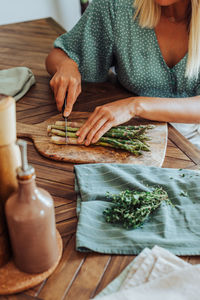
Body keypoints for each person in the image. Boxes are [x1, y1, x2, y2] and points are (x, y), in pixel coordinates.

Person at [46, 0, 200, 148]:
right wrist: (67, 65)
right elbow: (59, 55)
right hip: (128, 136)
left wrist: (134, 106)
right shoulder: (115, 6)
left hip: (193, 146)